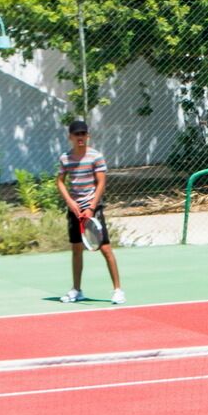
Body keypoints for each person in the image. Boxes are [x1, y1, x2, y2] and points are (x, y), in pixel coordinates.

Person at [58, 118, 124, 304]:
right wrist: (71, 202)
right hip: (75, 210)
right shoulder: (65, 158)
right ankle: (77, 290)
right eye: (76, 134)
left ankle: (118, 290)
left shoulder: (96, 156)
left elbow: (101, 182)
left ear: (88, 135)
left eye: (83, 134)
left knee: (105, 249)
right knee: (76, 249)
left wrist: (91, 207)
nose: (80, 137)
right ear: (70, 136)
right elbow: (60, 182)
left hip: (93, 209)